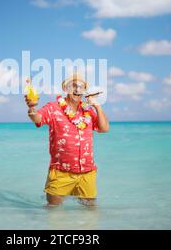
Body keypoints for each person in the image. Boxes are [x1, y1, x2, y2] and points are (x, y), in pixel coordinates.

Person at [24, 72, 109, 207]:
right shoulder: (53, 108)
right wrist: (32, 108)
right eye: (73, 86)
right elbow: (38, 118)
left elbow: (104, 128)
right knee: (54, 214)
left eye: (81, 87)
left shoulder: (87, 111)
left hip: (87, 173)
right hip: (61, 172)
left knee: (90, 215)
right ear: (65, 89)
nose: (77, 89)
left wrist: (96, 105)